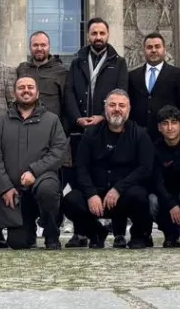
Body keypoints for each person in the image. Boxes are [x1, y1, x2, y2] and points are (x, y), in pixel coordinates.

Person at [62, 17, 128, 247]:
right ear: (88, 36)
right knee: (80, 182)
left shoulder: (119, 62)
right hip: (81, 131)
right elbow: (69, 92)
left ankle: (119, 233)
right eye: (94, 33)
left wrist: (103, 116)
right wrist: (77, 119)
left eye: (102, 33)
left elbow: (122, 92)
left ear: (107, 35)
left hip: (108, 128)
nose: (98, 37)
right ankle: (83, 232)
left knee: (113, 176)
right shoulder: (77, 61)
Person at [62, 89, 155, 249]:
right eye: (112, 105)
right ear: (105, 108)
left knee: (140, 196)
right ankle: (97, 232)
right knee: (70, 200)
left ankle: (138, 236)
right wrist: (91, 194)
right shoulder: (90, 134)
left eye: (121, 105)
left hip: (124, 196)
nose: (117, 109)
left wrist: (118, 189)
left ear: (129, 109)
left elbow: (145, 168)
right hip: (97, 195)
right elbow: (81, 167)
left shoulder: (140, 134)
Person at [0, 76, 68, 250]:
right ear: (14, 93)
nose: (26, 90)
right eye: (21, 87)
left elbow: (59, 151)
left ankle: (51, 233)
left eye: (30, 87)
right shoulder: (1, 122)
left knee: (48, 191)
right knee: (18, 243)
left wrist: (34, 171)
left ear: (37, 93)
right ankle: (28, 231)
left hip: (42, 181)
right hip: (15, 192)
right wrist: (5, 188)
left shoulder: (51, 120)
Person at [148, 105, 180, 248]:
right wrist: (172, 204)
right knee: (152, 199)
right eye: (165, 123)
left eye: (174, 122)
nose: (170, 128)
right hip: (166, 194)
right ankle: (170, 234)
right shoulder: (155, 149)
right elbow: (157, 182)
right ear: (159, 128)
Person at [127, 32, 180, 137]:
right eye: (149, 47)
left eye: (157, 46)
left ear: (164, 49)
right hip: (138, 135)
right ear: (143, 50)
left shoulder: (177, 74)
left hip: (167, 136)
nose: (153, 50)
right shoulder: (132, 76)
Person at [17, 30, 66, 116]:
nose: (39, 48)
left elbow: (67, 102)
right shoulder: (22, 69)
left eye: (43, 45)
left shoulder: (61, 71)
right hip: (25, 121)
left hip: (51, 122)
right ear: (30, 47)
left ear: (49, 47)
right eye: (35, 45)